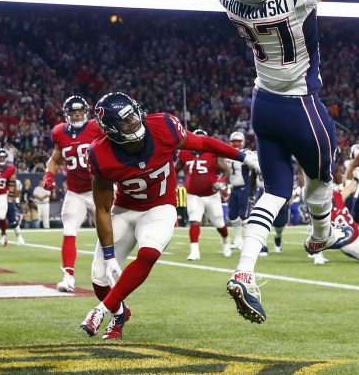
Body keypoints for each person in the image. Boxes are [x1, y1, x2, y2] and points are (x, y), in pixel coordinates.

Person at [215, 0, 352, 324]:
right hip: (300, 105)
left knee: (274, 190)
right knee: (320, 181)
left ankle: (245, 271)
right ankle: (319, 234)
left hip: (263, 103)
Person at [80, 92, 259, 340]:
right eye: (125, 120)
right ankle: (119, 313)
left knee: (149, 252)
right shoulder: (99, 154)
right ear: (111, 130)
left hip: (159, 207)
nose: (134, 121)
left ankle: (100, 311)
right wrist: (109, 254)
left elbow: (203, 143)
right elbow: (101, 208)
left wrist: (242, 156)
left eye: (133, 114)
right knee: (100, 278)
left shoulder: (162, 126)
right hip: (124, 209)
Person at [44, 95, 105, 293]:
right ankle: (68, 276)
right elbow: (55, 159)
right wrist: (48, 175)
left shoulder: (97, 128)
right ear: (67, 115)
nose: (77, 115)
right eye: (73, 112)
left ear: (86, 113)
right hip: (75, 192)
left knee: (109, 233)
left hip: (99, 189)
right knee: (69, 231)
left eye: (80, 112)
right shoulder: (59, 133)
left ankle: (108, 272)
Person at [176, 129, 233, 261]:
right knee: (194, 220)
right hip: (193, 195)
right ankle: (194, 251)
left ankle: (226, 241)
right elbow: (174, 170)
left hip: (211, 195)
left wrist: (221, 181)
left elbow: (226, 171)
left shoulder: (213, 154)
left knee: (219, 223)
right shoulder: (184, 154)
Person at [224, 131, 257, 251]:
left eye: (238, 142)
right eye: (234, 142)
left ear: (243, 142)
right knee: (232, 215)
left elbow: (252, 168)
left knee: (245, 215)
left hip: (245, 187)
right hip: (234, 187)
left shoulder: (246, 153)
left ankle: (251, 242)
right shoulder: (227, 153)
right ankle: (238, 240)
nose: (236, 144)